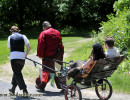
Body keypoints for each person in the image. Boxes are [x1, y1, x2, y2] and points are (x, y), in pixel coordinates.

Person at [36, 21, 65, 91]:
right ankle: (63, 86)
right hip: (58, 54)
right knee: (58, 70)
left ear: (44, 27)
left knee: (46, 71)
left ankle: (41, 86)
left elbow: (41, 45)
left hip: (48, 56)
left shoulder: (44, 33)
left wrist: (40, 55)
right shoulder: (57, 32)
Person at [7, 26, 31, 94]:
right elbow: (29, 47)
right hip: (22, 58)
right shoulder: (23, 36)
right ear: (18, 31)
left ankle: (25, 90)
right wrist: (25, 55)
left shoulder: (10, 37)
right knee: (17, 72)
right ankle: (13, 89)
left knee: (17, 73)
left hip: (14, 57)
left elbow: (10, 49)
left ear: (11, 31)